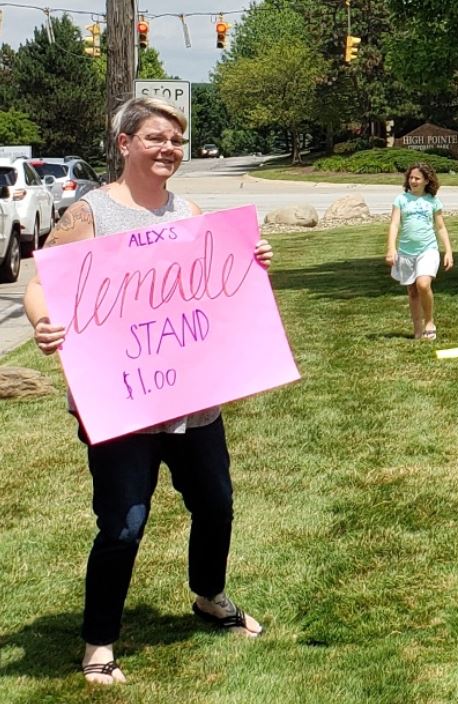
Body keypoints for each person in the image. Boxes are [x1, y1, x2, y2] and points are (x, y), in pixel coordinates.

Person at [22, 96, 271, 686]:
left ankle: (209, 596)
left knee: (216, 504)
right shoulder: (91, 213)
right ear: (125, 143)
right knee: (124, 522)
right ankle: (98, 644)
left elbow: (219, 281)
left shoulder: (187, 208)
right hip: (121, 402)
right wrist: (42, 322)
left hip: (191, 399)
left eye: (177, 141)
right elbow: (43, 283)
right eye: (157, 138)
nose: (169, 150)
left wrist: (252, 260)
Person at [385, 162, 454, 340]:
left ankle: (429, 321)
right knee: (413, 291)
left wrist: (448, 251)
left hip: (428, 249)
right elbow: (394, 224)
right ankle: (417, 328)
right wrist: (391, 248)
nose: (413, 181)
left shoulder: (433, 201)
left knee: (423, 284)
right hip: (406, 252)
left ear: (426, 181)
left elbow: (440, 227)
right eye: (411, 178)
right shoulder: (401, 199)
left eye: (417, 178)